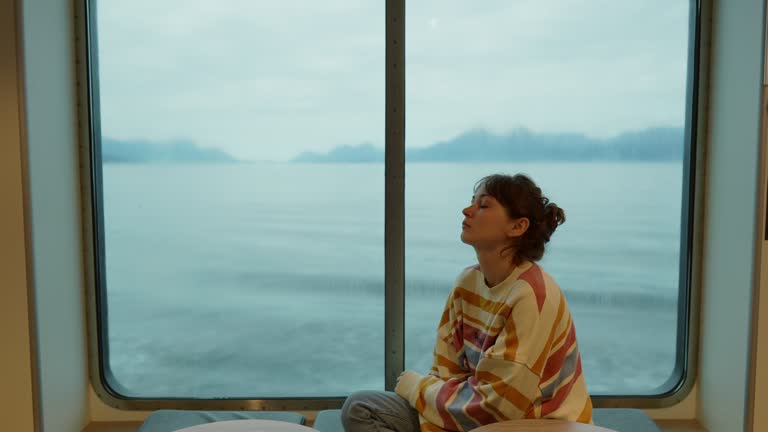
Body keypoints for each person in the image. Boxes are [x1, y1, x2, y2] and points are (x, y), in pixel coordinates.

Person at [341, 173, 593, 432]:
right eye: (472, 202)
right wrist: (441, 406)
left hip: (534, 425)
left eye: (483, 205)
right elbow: (446, 370)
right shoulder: (468, 282)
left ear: (517, 227)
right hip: (475, 414)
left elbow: (501, 405)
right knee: (361, 408)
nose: (467, 210)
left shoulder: (532, 296)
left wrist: (415, 386)